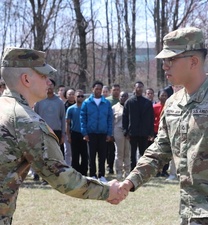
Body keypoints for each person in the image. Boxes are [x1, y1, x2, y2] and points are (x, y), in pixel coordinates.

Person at [118, 27, 208, 225]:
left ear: (193, 61)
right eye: (164, 60)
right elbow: (160, 150)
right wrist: (130, 181)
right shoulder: (173, 103)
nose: (165, 66)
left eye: (171, 59)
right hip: (189, 211)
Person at [0, 47, 125, 224]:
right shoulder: (26, 122)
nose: (49, 82)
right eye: (43, 76)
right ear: (26, 79)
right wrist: (107, 190)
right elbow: (64, 179)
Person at [80, 81, 113, 182]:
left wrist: (109, 133)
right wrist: (84, 133)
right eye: (96, 89)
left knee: (102, 155)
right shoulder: (87, 102)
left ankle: (101, 175)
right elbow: (82, 118)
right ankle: (92, 175)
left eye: (100, 89)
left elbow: (110, 119)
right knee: (91, 155)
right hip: (91, 133)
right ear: (92, 89)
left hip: (103, 133)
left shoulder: (106, 103)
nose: (98, 91)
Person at [122, 81, 154, 170]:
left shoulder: (147, 103)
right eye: (138, 87)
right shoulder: (129, 102)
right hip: (132, 132)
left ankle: (142, 171)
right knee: (132, 154)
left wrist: (151, 132)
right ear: (134, 88)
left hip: (144, 133)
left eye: (141, 87)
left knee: (143, 153)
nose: (139, 89)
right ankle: (133, 171)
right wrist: (125, 131)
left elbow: (151, 118)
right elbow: (125, 117)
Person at [66, 89, 88, 176]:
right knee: (75, 155)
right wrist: (68, 136)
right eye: (78, 96)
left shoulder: (86, 108)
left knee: (85, 155)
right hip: (74, 134)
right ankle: (75, 173)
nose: (80, 98)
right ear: (75, 97)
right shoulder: (70, 109)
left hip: (84, 134)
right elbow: (67, 123)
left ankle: (84, 173)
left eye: (82, 96)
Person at [113, 91, 131, 179]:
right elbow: (112, 121)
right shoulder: (114, 108)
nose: (123, 98)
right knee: (119, 152)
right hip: (118, 131)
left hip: (128, 132)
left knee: (127, 152)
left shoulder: (131, 106)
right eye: (122, 96)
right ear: (119, 97)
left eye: (125, 96)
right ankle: (119, 171)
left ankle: (127, 171)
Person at [153, 89, 169, 177]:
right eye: (162, 95)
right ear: (159, 96)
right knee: (157, 153)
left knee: (166, 153)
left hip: (167, 132)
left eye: (165, 95)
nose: (164, 97)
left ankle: (165, 170)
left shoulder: (170, 106)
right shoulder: (155, 107)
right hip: (157, 132)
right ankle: (157, 170)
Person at [106, 84, 121, 174]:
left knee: (119, 151)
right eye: (114, 90)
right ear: (111, 90)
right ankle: (109, 167)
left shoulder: (122, 100)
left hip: (119, 128)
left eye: (117, 90)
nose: (116, 91)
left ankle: (119, 167)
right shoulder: (107, 101)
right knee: (110, 150)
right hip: (110, 128)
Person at [63, 87, 76, 166]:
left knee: (76, 151)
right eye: (69, 94)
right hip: (66, 131)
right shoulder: (63, 106)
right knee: (67, 151)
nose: (71, 96)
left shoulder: (79, 105)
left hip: (77, 131)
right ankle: (68, 166)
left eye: (73, 94)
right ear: (66, 95)